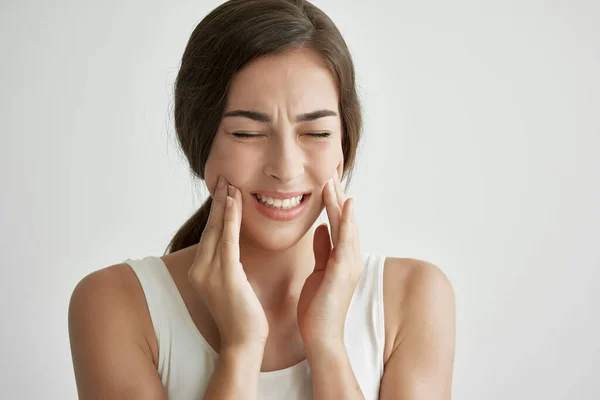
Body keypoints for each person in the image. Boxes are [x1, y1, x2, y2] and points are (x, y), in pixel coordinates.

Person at [68, 0, 456, 399]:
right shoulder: (115, 304)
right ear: (200, 144)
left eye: (317, 133)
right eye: (248, 134)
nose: (285, 168)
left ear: (343, 147)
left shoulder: (414, 297)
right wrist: (241, 347)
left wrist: (327, 346)